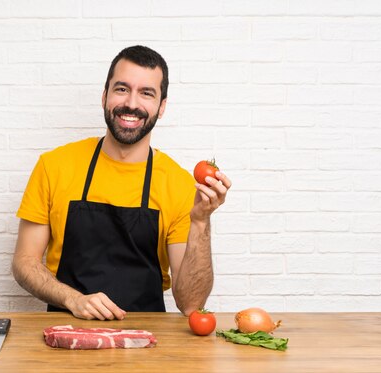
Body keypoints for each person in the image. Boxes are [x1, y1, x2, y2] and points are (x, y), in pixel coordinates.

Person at [12, 45, 231, 321]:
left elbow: (190, 303)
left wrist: (201, 221)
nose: (131, 103)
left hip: (147, 341)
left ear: (161, 107)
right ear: (105, 96)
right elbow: (24, 262)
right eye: (122, 89)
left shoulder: (178, 184)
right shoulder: (54, 166)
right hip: (65, 332)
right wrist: (73, 299)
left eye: (146, 93)